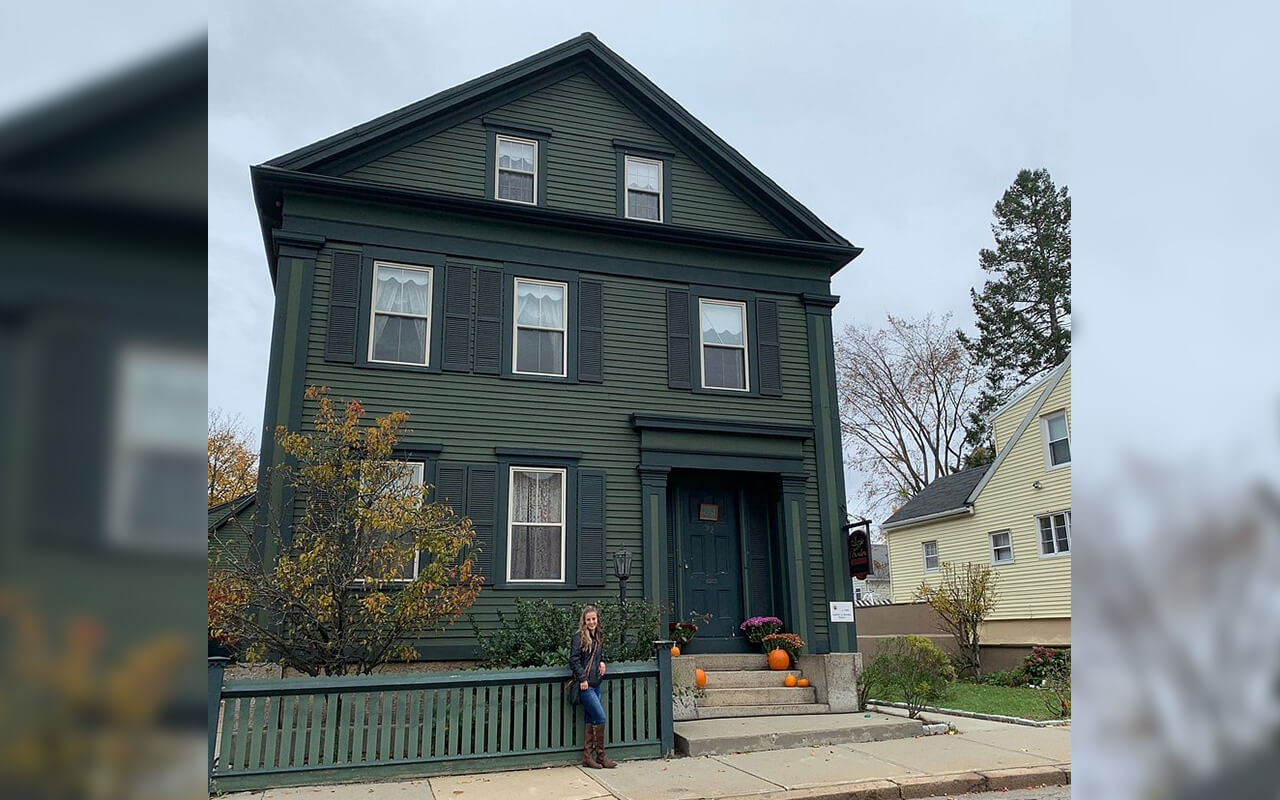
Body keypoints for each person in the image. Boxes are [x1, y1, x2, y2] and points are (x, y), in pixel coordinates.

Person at [569, 605, 617, 769]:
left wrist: (602, 661)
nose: (591, 622)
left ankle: (588, 757)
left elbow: (597, 656)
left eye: (594, 619)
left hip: (596, 683)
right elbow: (574, 660)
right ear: (584, 621)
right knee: (600, 717)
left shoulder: (598, 636)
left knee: (590, 719)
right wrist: (582, 678)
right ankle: (601, 756)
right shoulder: (579, 637)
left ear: (597, 620)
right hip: (586, 686)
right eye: (588, 619)